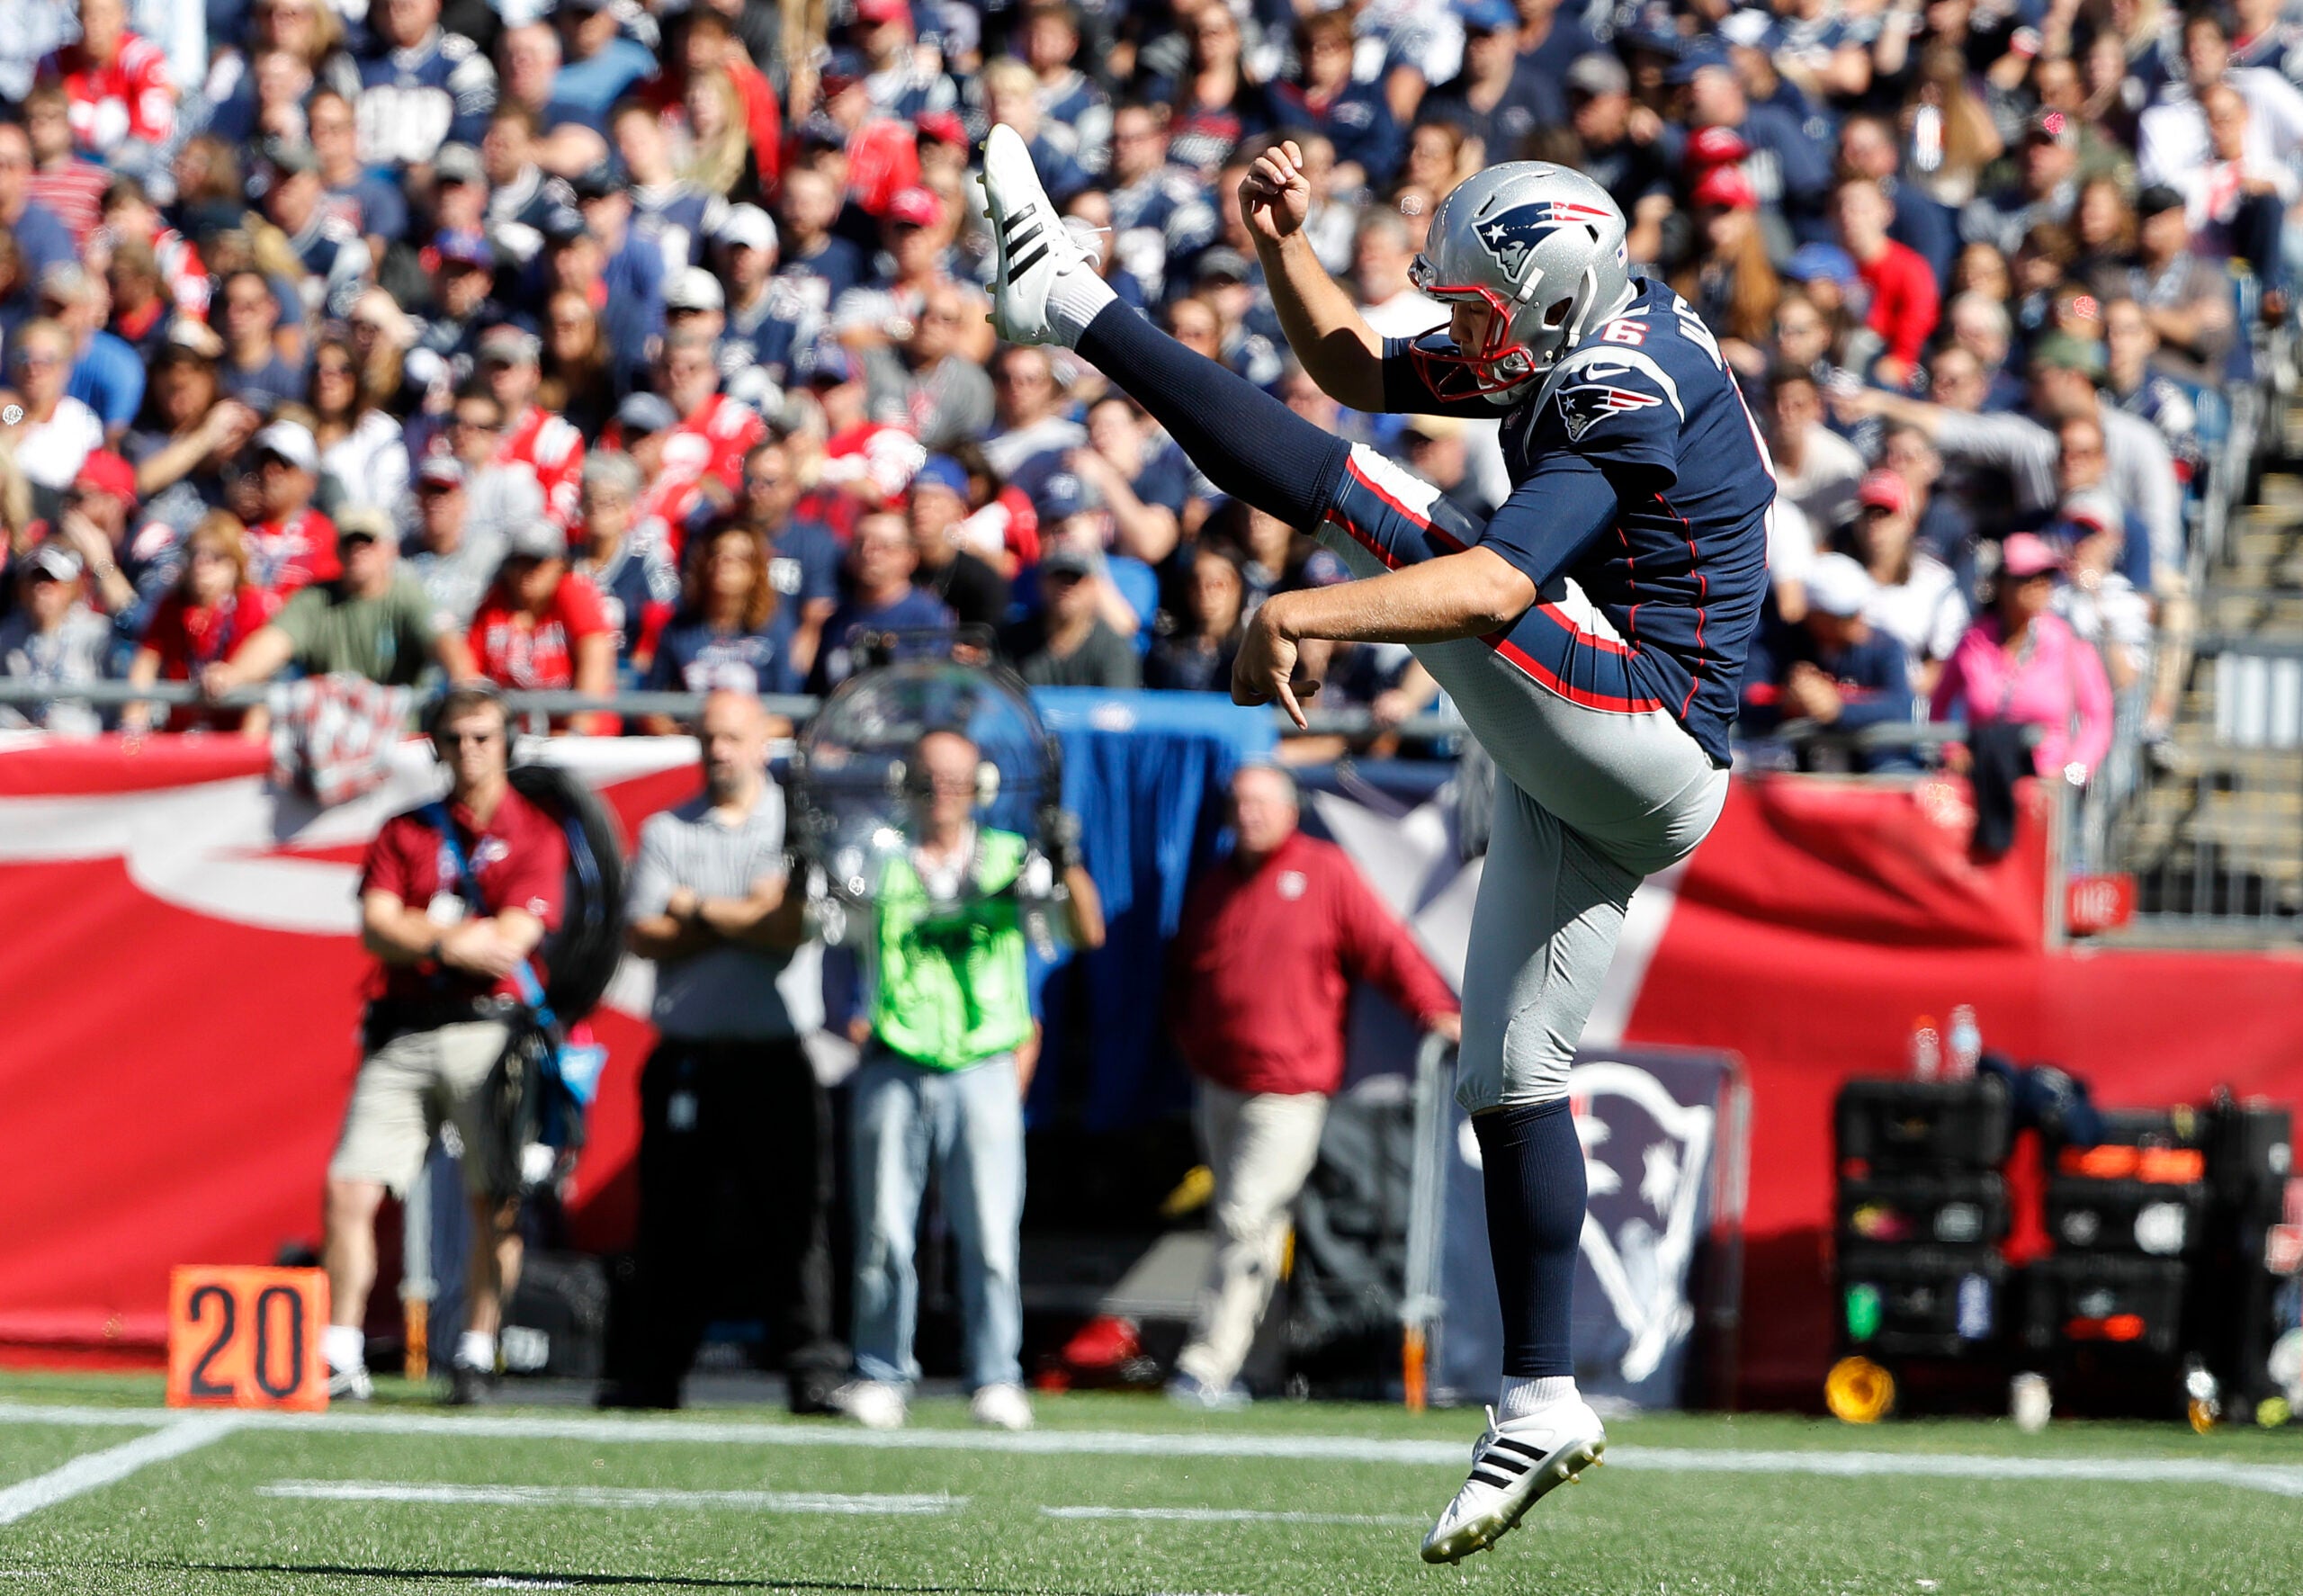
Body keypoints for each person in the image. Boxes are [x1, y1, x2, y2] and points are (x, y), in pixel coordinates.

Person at [981, 128, 1769, 1561]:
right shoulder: (1566, 326)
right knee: (1510, 1073)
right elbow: (1349, 364)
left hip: (1646, 726)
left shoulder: (1620, 378)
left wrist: (1299, 610)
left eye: (1479, 311)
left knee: (1391, 511)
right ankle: (1539, 1396)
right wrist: (1285, 247)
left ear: (1545, 302)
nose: (1461, 334)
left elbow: (1490, 582)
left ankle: (1075, 304)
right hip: (1607, 748)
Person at [831, 728, 1105, 1434]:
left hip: (984, 1059)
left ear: (980, 784)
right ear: (905, 782)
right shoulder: (875, 858)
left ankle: (996, 1374)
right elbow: (823, 932)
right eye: (927, 776)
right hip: (897, 1055)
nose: (941, 791)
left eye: (954, 777)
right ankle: (880, 1370)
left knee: (988, 1234)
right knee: (885, 1233)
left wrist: (1068, 862)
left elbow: (1083, 932)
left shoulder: (1013, 858)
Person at [1166, 764, 1460, 1406]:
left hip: (1288, 1090)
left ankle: (1205, 1366)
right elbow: (1186, 974)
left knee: (1246, 1219)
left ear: (1291, 810)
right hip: (1219, 1084)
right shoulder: (1216, 883)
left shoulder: (1325, 873)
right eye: (1240, 803)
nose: (1249, 815)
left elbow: (1388, 948)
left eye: (1262, 803)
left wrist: (1432, 1009)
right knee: (1252, 1229)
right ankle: (1261, 1367)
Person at [323, 683, 564, 1404]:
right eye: (455, 738)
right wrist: (451, 937)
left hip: (489, 1033)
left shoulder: (536, 832)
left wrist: (420, 934)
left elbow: (511, 944)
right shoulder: (406, 830)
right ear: (435, 746)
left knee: (495, 1197)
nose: (469, 751)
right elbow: (373, 926)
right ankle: (340, 1350)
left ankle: (476, 1347)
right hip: (404, 1029)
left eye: (483, 737)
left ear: (507, 744)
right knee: (349, 1184)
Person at [612, 689, 844, 1413]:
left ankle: (811, 1370)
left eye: (732, 737)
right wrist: (745, 912)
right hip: (687, 1052)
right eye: (708, 737)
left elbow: (790, 929)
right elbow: (642, 935)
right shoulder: (665, 828)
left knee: (795, 1221)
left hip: (776, 1056)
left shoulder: (798, 825)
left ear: (763, 741)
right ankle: (653, 1376)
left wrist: (696, 908)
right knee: (671, 1221)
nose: (719, 751)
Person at [202, 507, 475, 695]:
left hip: (395, 741)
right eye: (349, 542)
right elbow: (274, 641)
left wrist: (464, 678)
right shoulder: (315, 600)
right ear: (338, 551)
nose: (358, 551)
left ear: (389, 550)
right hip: (327, 739)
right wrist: (233, 675)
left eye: (367, 542)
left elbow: (443, 638)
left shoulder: (406, 596)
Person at [1931, 533, 2114, 785]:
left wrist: (2071, 776)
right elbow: (1939, 704)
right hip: (1983, 781)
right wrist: (1952, 750)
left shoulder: (2068, 642)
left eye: (2045, 578)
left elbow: (2098, 717)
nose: (2038, 586)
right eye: (2026, 578)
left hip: (2046, 789)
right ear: (2002, 584)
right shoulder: (1974, 641)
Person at [1738, 552, 1917, 771]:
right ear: (1817, 615)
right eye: (1847, 615)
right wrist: (1788, 704)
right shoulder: (1776, 644)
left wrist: (1838, 709)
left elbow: (1901, 705)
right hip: (1795, 767)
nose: (1859, 619)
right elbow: (1745, 698)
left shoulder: (1885, 646)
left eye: (1859, 609)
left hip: (1877, 765)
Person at [123, 511, 280, 736]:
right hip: (182, 732)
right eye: (194, 554)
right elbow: (146, 663)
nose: (201, 564)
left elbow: (263, 681)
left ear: (235, 565)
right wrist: (133, 730)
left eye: (215, 557)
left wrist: (247, 752)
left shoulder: (252, 606)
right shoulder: (172, 606)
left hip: (232, 733)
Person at [0, 544, 109, 735]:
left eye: (52, 579)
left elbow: (111, 706)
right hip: (24, 745)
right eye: (34, 579)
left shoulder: (98, 634)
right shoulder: (7, 637)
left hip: (81, 745)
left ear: (71, 587)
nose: (41, 588)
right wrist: (15, 724)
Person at [1008, 545, 1141, 688]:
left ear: (1092, 586)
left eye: (1075, 578)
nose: (1066, 586)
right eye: (1058, 577)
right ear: (1042, 583)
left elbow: (1119, 705)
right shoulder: (1014, 641)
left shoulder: (1113, 648)